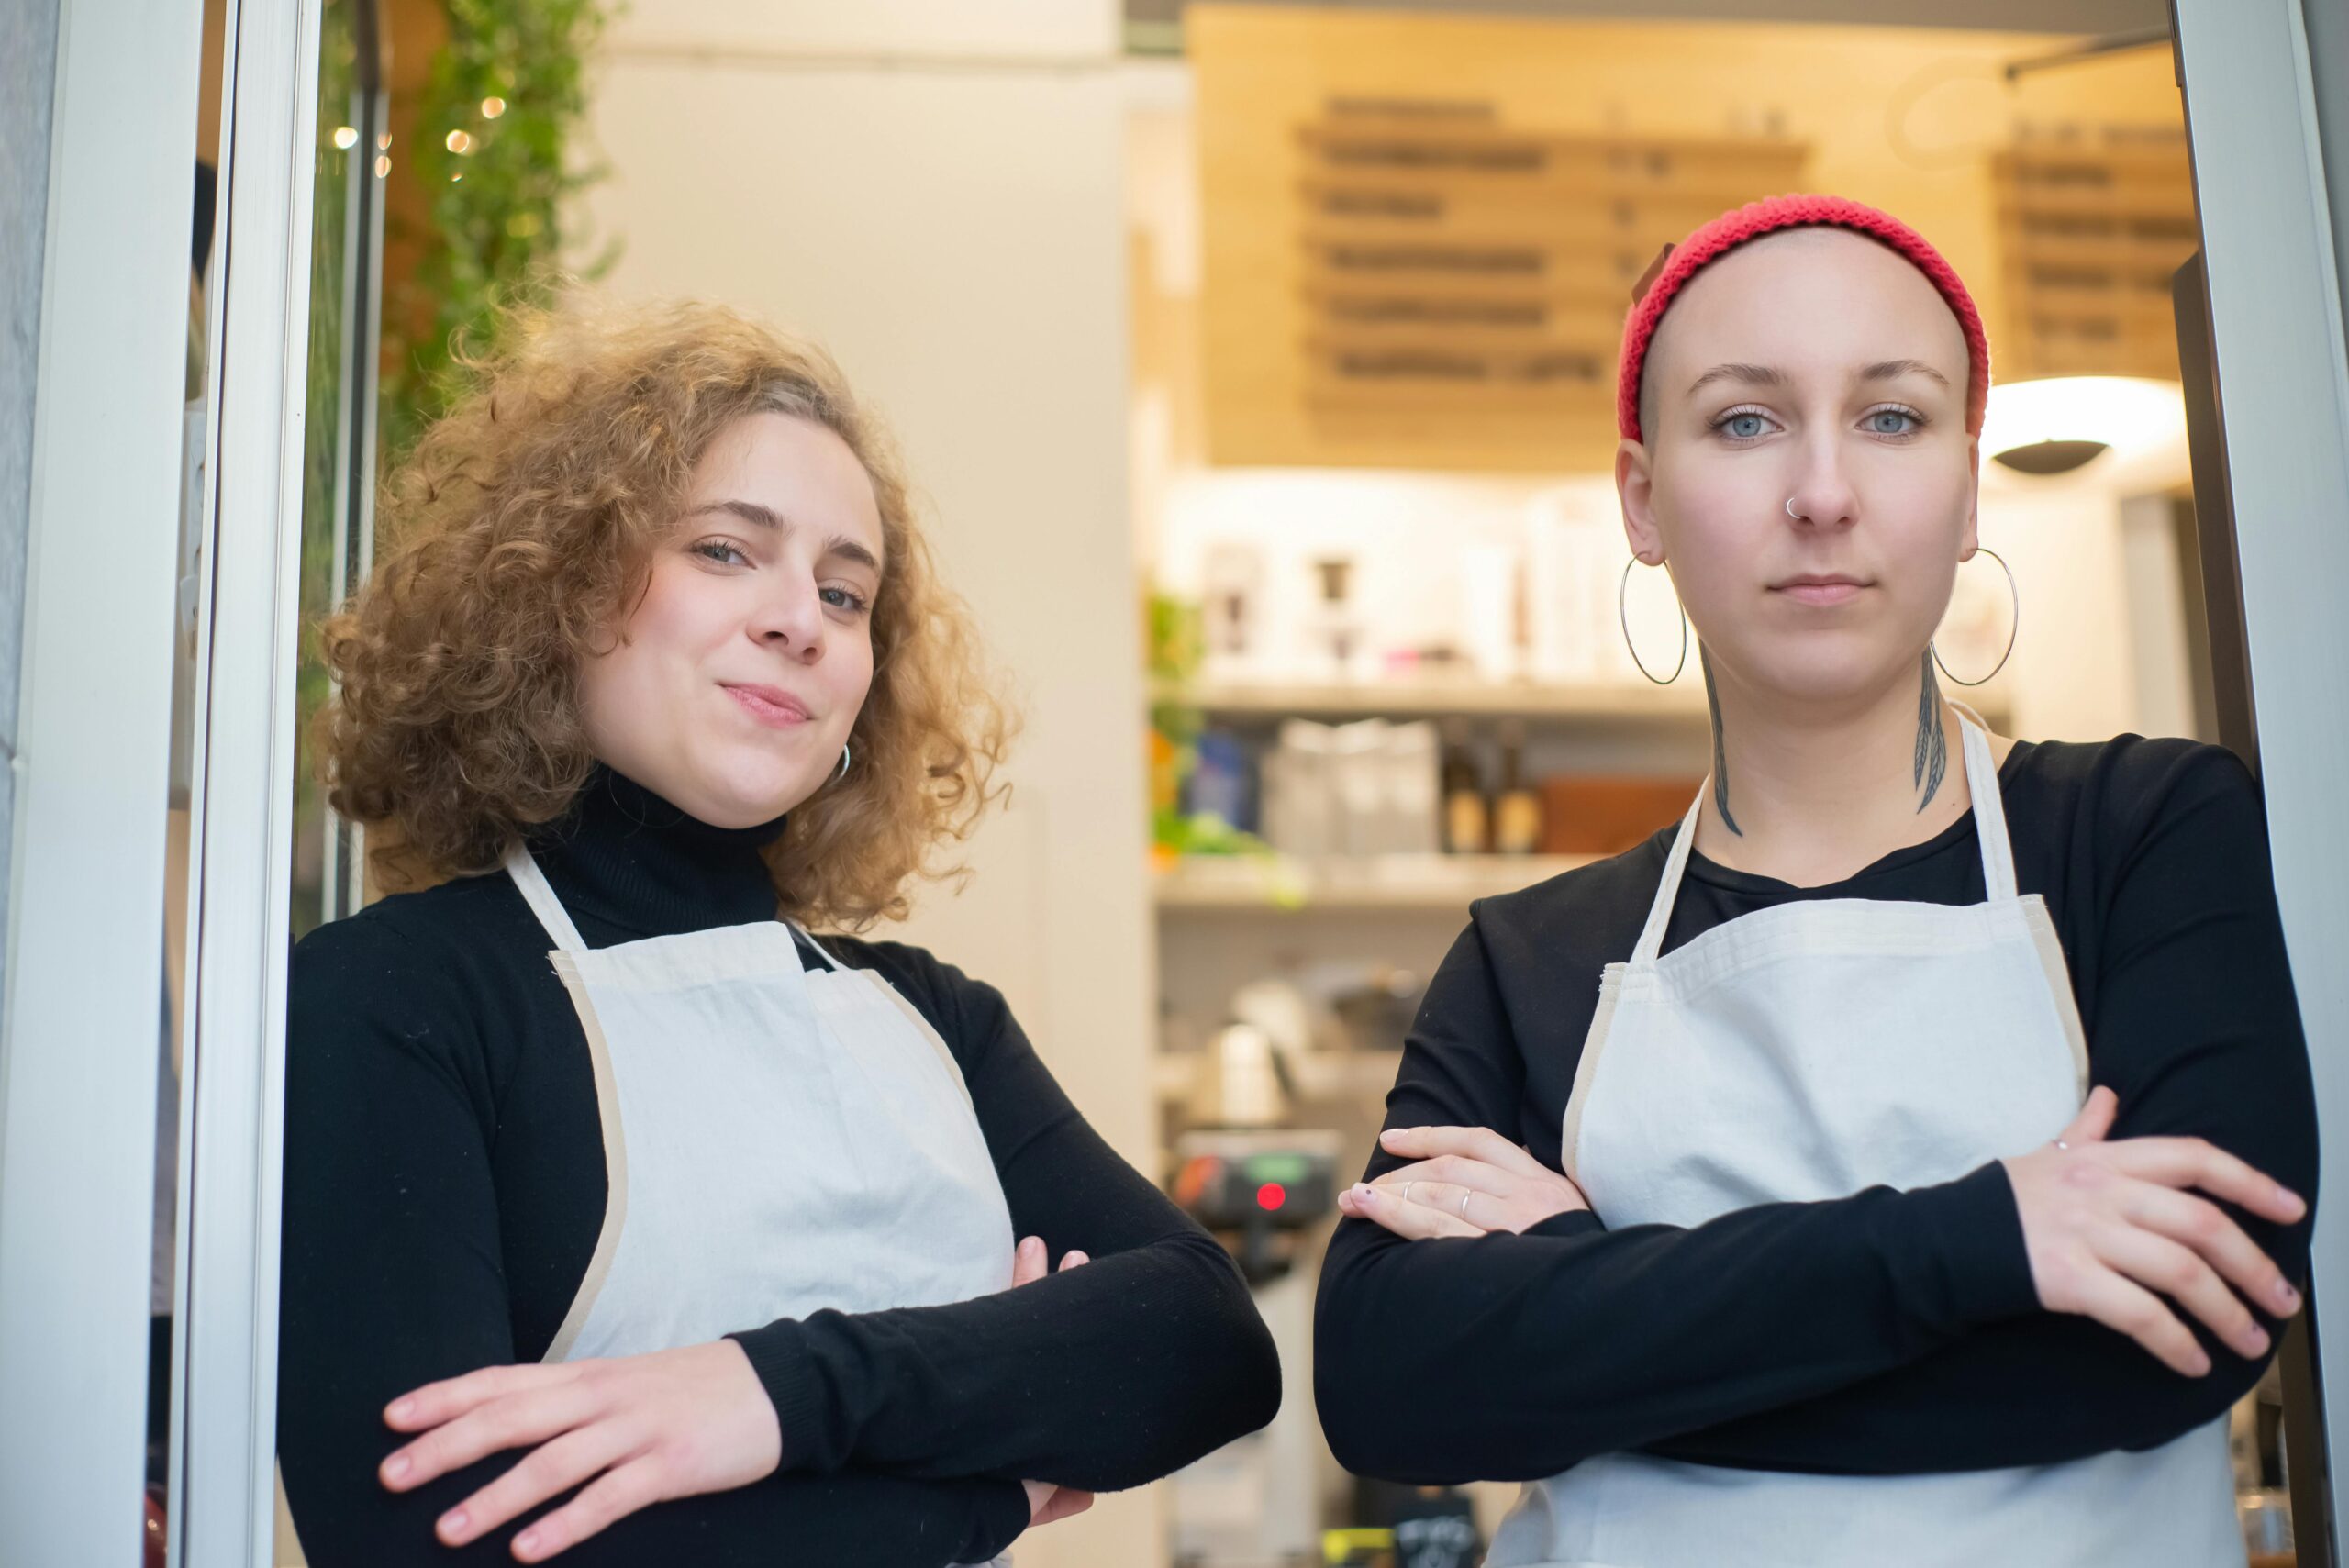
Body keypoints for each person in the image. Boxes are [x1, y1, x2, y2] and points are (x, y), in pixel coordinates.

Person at [1313, 195, 2318, 1567]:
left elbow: (2187, 1330)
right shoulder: (1530, 957)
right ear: (1643, 500)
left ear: (1967, 490)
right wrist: (1991, 1235)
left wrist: (1597, 1290)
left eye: (1892, 417)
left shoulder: (2146, 830)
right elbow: (1389, 1384)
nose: (1824, 491)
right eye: (1745, 420)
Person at [277, 297, 1280, 1566]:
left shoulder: (932, 1018)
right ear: (558, 590)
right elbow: (431, 1539)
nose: (801, 618)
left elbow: (1202, 1343)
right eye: (724, 551)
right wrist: (979, 1478)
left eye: (847, 592)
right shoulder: (396, 1000)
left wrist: (768, 1391)